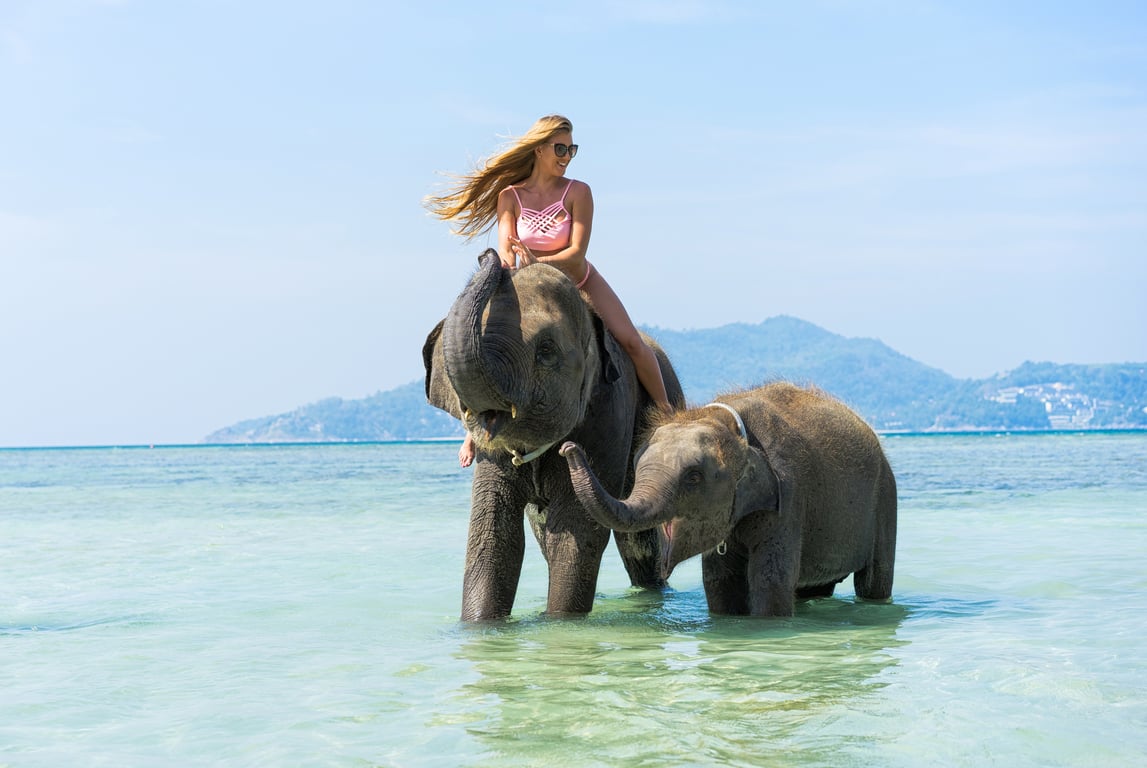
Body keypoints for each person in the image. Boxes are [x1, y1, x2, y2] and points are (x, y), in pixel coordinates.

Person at [425, 114, 673, 468]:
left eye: (572, 149)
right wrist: (525, 263)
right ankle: (473, 430)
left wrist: (537, 258)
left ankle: (668, 419)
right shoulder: (509, 196)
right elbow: (508, 252)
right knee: (482, 347)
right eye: (560, 148)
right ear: (539, 148)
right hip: (525, 286)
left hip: (579, 280)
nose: (567, 156)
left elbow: (575, 256)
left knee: (632, 341)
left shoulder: (579, 192)